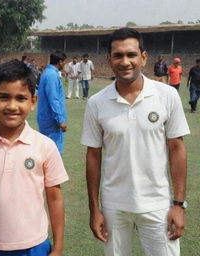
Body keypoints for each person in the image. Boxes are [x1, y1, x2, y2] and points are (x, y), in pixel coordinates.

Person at [81, 27, 190, 256]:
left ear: (143, 57)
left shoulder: (166, 95)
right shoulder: (96, 103)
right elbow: (93, 156)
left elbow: (177, 149)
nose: (125, 61)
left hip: (158, 204)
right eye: (118, 55)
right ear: (109, 60)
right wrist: (95, 208)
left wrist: (178, 205)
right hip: (114, 207)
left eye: (131, 54)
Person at [0, 60, 69, 256]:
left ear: (33, 101)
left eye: (21, 98)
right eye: (4, 97)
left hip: (35, 246)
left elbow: (55, 199)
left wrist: (57, 248)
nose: (12, 106)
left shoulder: (45, 146)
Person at [37, 51, 67, 155]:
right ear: (60, 62)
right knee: (53, 154)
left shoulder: (48, 73)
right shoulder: (52, 75)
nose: (65, 65)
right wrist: (60, 120)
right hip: (52, 121)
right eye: (64, 62)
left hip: (47, 118)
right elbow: (53, 99)